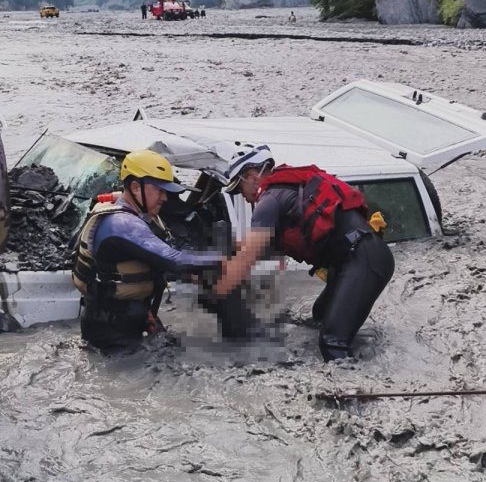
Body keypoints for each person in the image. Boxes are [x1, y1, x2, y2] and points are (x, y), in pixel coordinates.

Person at [215, 145, 395, 361]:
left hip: (363, 258)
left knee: (331, 342)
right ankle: (364, 357)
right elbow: (258, 251)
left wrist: (216, 293)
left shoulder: (269, 200)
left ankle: (356, 392)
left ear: (251, 177)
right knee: (319, 317)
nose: (242, 197)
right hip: (356, 258)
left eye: (238, 189)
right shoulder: (286, 191)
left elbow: (248, 258)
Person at [73, 150, 224, 351]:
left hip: (127, 317)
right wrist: (227, 260)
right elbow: (174, 260)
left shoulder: (135, 213)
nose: (165, 198)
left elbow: (151, 260)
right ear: (136, 187)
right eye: (160, 190)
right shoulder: (122, 223)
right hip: (112, 332)